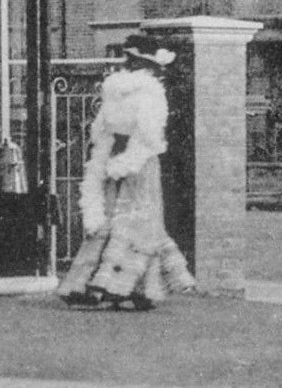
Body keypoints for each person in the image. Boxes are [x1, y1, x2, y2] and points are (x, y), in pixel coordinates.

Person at [56, 35, 196, 310]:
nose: (128, 64)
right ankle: (118, 287)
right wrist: (117, 159)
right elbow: (125, 130)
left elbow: (135, 133)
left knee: (126, 221)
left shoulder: (133, 91)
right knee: (127, 221)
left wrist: (120, 160)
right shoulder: (135, 91)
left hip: (130, 162)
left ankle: (115, 286)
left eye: (132, 60)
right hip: (128, 161)